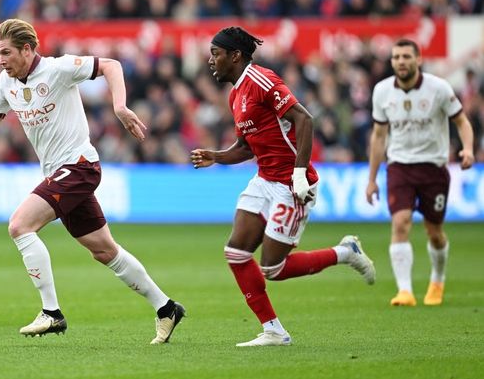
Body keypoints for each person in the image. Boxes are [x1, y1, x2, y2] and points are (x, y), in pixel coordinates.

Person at [0, 18, 185, 344]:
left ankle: (51, 313)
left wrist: (120, 106)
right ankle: (166, 308)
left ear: (27, 50)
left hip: (79, 166)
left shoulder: (58, 69)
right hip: (58, 173)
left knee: (19, 225)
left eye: (6, 52)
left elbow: (110, 65)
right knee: (104, 250)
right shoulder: (5, 81)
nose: (0, 59)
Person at [190, 26, 375, 347]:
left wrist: (300, 174)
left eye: (216, 54)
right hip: (264, 180)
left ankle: (346, 253)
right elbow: (247, 147)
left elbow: (305, 119)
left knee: (273, 268)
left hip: (292, 184)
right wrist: (216, 157)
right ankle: (273, 330)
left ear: (235, 56)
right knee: (236, 253)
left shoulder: (262, 81)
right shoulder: (235, 94)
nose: (211, 61)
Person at [365, 38, 474, 307]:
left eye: (406, 56)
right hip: (399, 167)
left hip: (433, 168)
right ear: (392, 62)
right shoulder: (381, 91)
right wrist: (371, 179)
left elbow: (462, 121)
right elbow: (379, 137)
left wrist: (468, 149)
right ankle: (405, 291)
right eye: (396, 57)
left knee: (434, 231)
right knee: (400, 223)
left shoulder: (438, 88)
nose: (401, 62)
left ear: (418, 59)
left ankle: (437, 280)